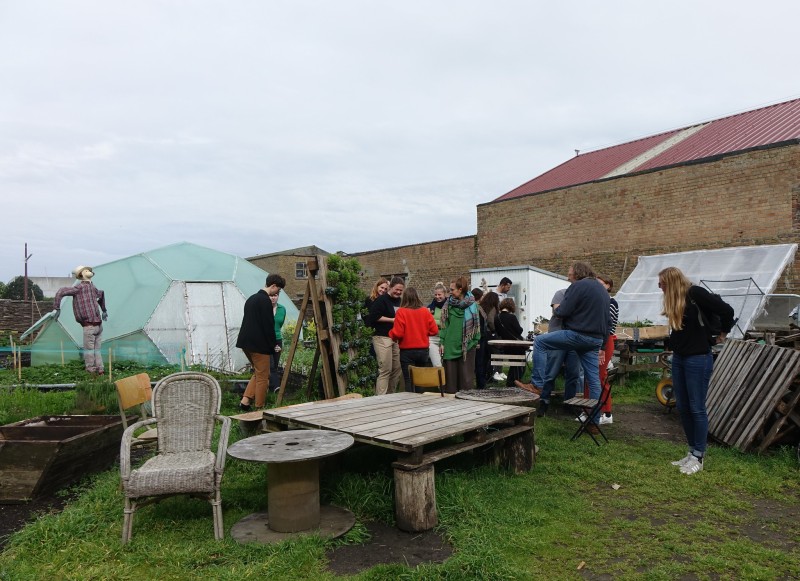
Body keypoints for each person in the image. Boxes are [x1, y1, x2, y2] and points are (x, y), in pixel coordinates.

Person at [659, 266, 735, 475]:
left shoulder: (695, 293)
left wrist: (723, 333)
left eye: (662, 283)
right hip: (680, 358)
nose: (659, 287)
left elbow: (726, 310)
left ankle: (699, 456)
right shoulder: (676, 300)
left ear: (671, 281)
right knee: (682, 407)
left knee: (696, 407)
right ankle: (692, 451)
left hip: (698, 358)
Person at [528, 262, 609, 433]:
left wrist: (557, 310)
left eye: (570, 272)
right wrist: (602, 344)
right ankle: (594, 422)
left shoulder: (577, 286)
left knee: (540, 342)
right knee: (593, 380)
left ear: (578, 273)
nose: (568, 276)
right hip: (595, 340)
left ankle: (537, 385)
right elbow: (607, 321)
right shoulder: (602, 289)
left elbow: (562, 311)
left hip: (577, 335)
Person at [237, 273, 286, 410]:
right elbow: (268, 327)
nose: (278, 292)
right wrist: (273, 346)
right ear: (273, 286)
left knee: (259, 372)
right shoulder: (265, 301)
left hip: (246, 343)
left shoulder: (251, 299)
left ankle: (245, 402)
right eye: (279, 290)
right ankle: (260, 408)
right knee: (264, 376)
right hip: (259, 346)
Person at [52, 265, 108, 376]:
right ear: (82, 274)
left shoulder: (92, 287)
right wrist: (57, 308)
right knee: (92, 350)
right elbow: (61, 292)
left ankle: (97, 370)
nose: (90, 272)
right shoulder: (79, 288)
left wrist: (104, 310)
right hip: (90, 325)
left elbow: (101, 294)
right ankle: (95, 371)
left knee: (93, 350)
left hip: (96, 325)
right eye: (87, 271)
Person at [389, 287, 439, 391]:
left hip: (407, 351)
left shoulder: (401, 312)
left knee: (409, 380)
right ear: (417, 297)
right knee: (419, 380)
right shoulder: (425, 311)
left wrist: (390, 334)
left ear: (405, 298)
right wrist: (423, 332)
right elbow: (434, 330)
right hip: (423, 351)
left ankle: (410, 404)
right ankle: (419, 404)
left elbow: (398, 333)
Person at [439, 276, 480, 393]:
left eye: (452, 290)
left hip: (467, 346)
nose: (449, 292)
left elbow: (477, 327)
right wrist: (442, 342)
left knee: (465, 383)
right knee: (450, 384)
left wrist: (474, 342)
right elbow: (444, 325)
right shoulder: (448, 304)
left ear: (460, 289)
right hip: (450, 346)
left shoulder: (472, 305)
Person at [370, 276, 405, 394]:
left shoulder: (400, 301)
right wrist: (392, 320)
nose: (398, 292)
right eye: (396, 289)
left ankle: (391, 395)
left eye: (401, 290)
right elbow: (374, 317)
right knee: (385, 369)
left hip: (395, 338)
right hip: (382, 337)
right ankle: (380, 398)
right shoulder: (381, 300)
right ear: (390, 287)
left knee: (397, 368)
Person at [596, 274, 619, 425]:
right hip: (596, 340)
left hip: (605, 340)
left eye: (601, 283)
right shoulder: (598, 301)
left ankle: (607, 412)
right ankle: (590, 410)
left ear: (608, 286)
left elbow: (607, 326)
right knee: (591, 377)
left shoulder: (611, 302)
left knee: (600, 375)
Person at [495, 298, 527, 387]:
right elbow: (519, 330)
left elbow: (498, 332)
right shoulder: (512, 317)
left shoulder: (497, 317)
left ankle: (510, 383)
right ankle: (515, 383)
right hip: (517, 346)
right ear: (511, 306)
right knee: (520, 366)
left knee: (513, 364)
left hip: (506, 346)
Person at [477, 291, 500, 388]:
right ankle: (488, 377)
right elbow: (491, 320)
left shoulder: (481, 307)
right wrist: (494, 330)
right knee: (488, 357)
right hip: (488, 334)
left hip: (480, 333)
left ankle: (482, 379)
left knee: (481, 359)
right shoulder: (493, 308)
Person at [269, 291, 287, 392]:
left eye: (275, 295)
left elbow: (280, 325)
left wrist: (278, 344)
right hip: (266, 340)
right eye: (271, 296)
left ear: (278, 296)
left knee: (274, 366)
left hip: (277, 340)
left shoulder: (282, 309)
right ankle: (276, 387)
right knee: (270, 365)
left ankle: (272, 390)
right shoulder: (265, 309)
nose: (273, 298)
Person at [427, 282, 448, 367]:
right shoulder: (430, 307)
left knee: (446, 364)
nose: (437, 297)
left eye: (439, 294)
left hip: (446, 339)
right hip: (432, 339)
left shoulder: (449, 307)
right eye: (435, 295)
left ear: (445, 294)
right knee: (437, 365)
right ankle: (439, 380)